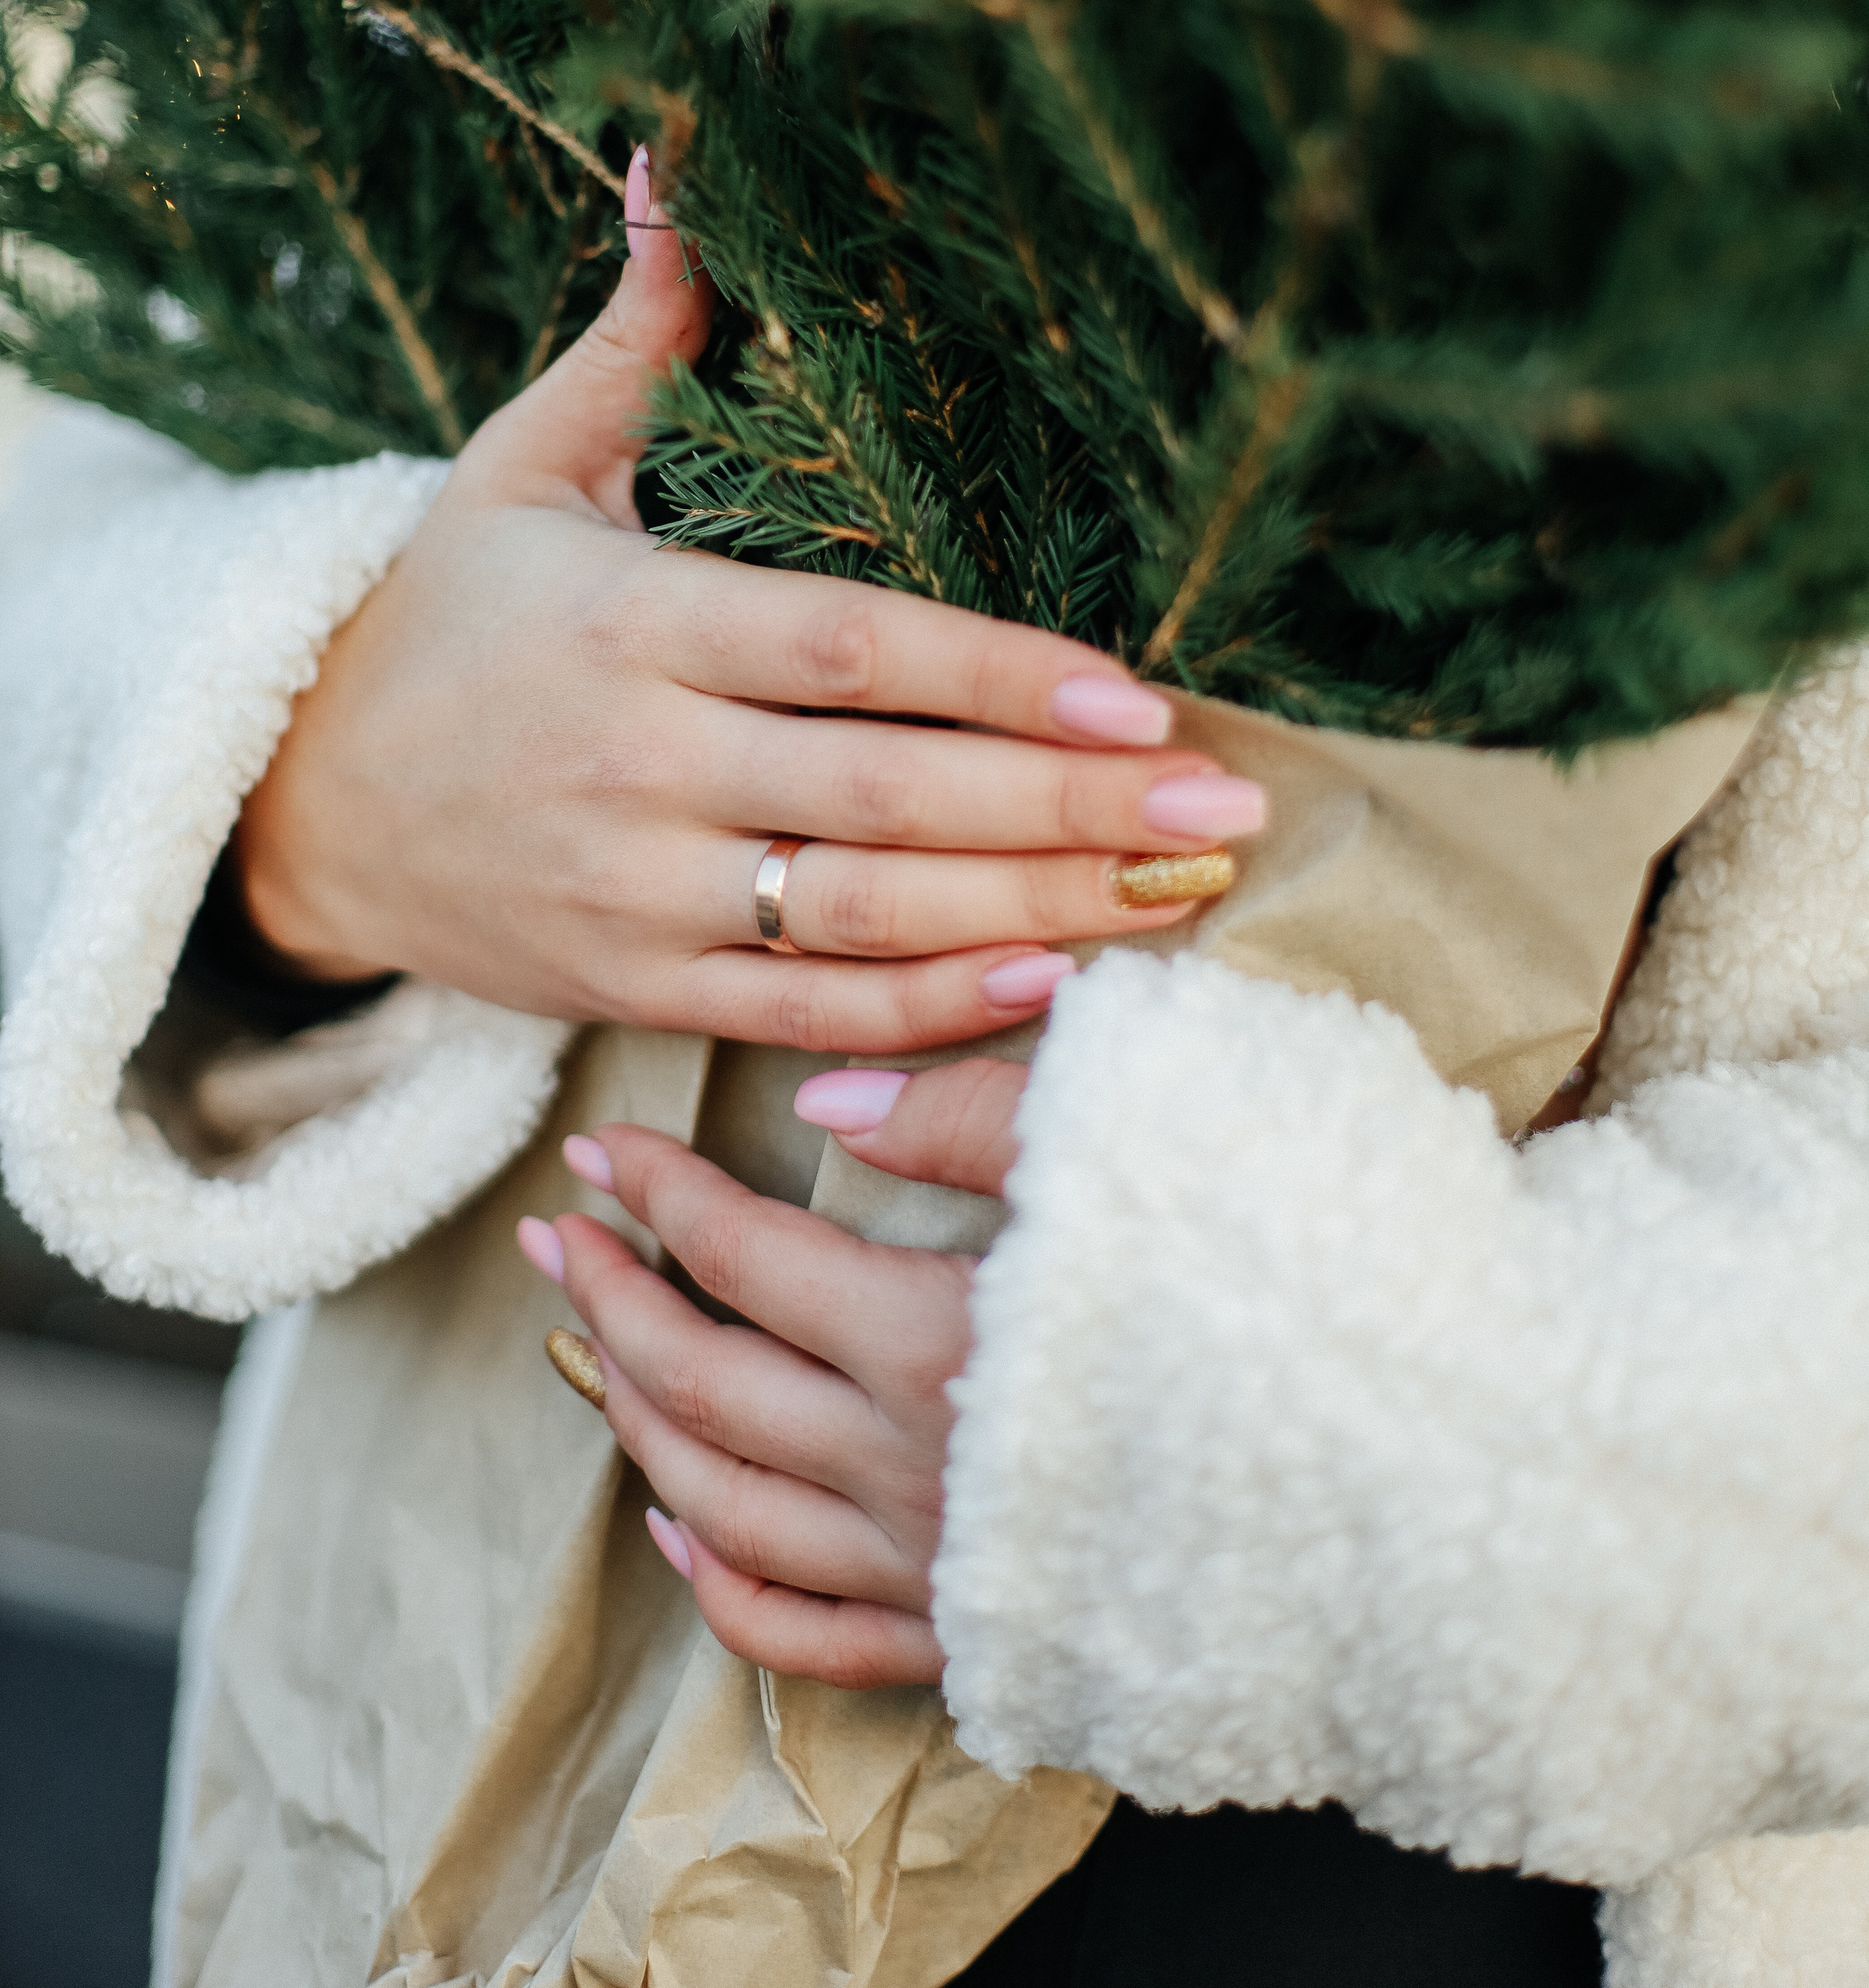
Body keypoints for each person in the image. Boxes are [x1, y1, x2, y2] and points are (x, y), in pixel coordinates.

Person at [4, 157, 1869, 1987]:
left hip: (1515, 1848)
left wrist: (1375, 1457)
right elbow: (144, 248)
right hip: (449, 1579)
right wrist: (292, 759)